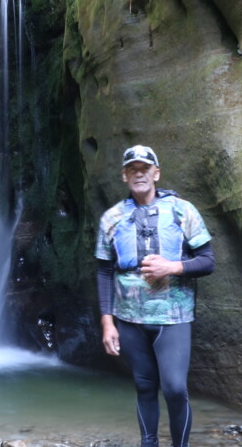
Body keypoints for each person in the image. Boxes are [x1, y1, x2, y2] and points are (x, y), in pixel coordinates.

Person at [95, 145, 215, 447]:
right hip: (129, 319)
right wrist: (108, 323)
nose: (139, 173)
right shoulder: (111, 218)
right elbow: (104, 271)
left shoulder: (182, 210)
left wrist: (172, 266)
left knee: (174, 388)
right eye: (133, 168)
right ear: (124, 176)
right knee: (144, 385)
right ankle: (148, 443)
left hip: (172, 318)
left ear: (156, 173)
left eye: (145, 168)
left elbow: (207, 260)